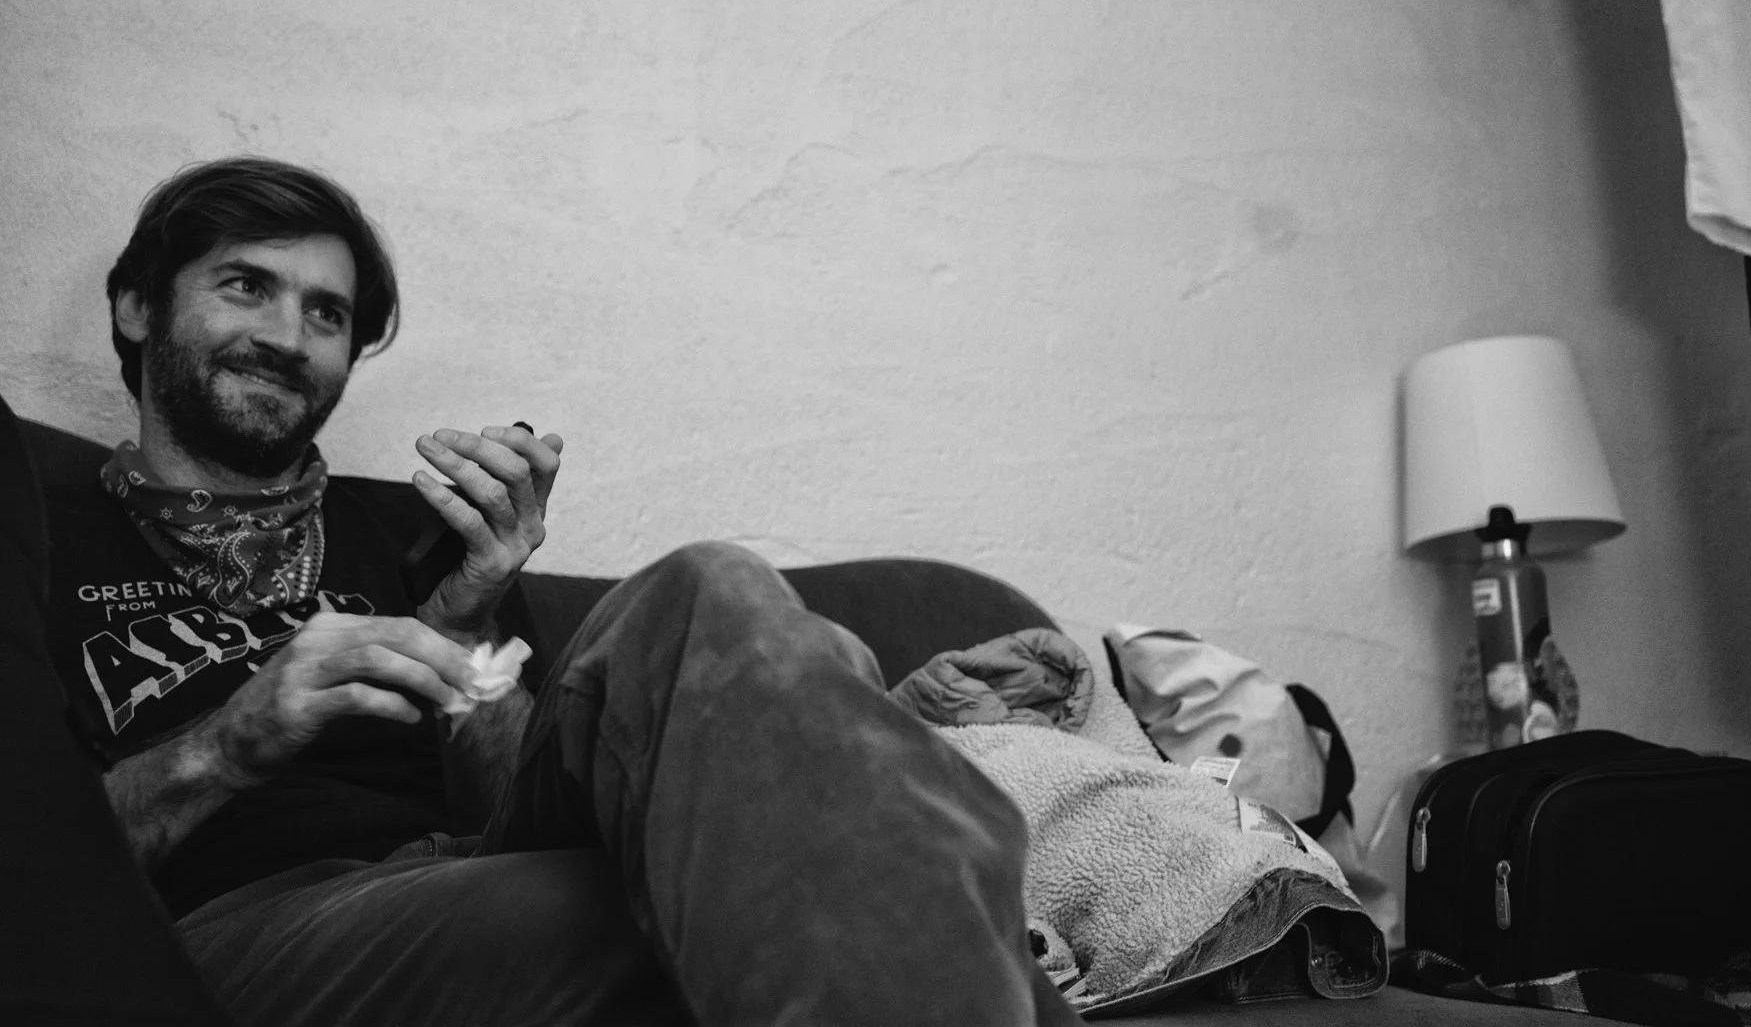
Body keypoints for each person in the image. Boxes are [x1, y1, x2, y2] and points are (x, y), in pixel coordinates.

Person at [20, 157, 1077, 1026]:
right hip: (240, 925)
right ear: (137, 305)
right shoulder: (35, 529)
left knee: (709, 585)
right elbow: (23, 875)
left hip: (465, 861)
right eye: (247, 286)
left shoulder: (419, 528)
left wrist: (467, 626)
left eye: (326, 313)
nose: (289, 338)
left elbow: (500, 809)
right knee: (684, 902)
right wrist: (229, 741)